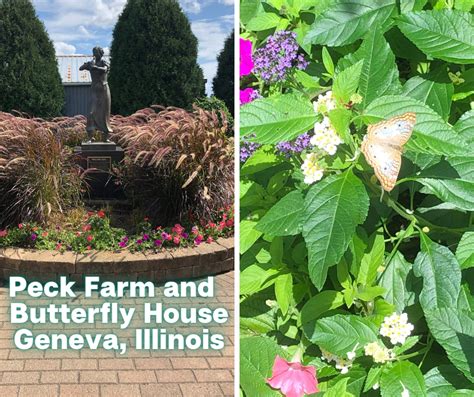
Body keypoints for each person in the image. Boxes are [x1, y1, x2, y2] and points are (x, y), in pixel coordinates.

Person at [80, 46, 112, 142]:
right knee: (91, 113)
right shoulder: (91, 63)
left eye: (96, 52)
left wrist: (95, 67)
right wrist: (88, 65)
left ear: (100, 54)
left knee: (105, 114)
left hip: (104, 90)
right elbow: (81, 68)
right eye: (93, 52)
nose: (94, 54)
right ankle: (90, 137)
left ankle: (105, 138)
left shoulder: (104, 62)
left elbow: (105, 69)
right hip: (95, 90)